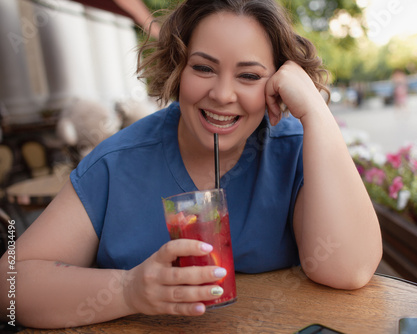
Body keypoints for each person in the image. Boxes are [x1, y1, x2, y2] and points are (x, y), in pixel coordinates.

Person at [0, 0, 382, 329]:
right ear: (177, 67)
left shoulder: (295, 151)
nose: (221, 94)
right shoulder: (118, 164)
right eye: (203, 68)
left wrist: (315, 110)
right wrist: (131, 290)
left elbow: (348, 269)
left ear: (277, 85)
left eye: (249, 76)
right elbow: (9, 287)